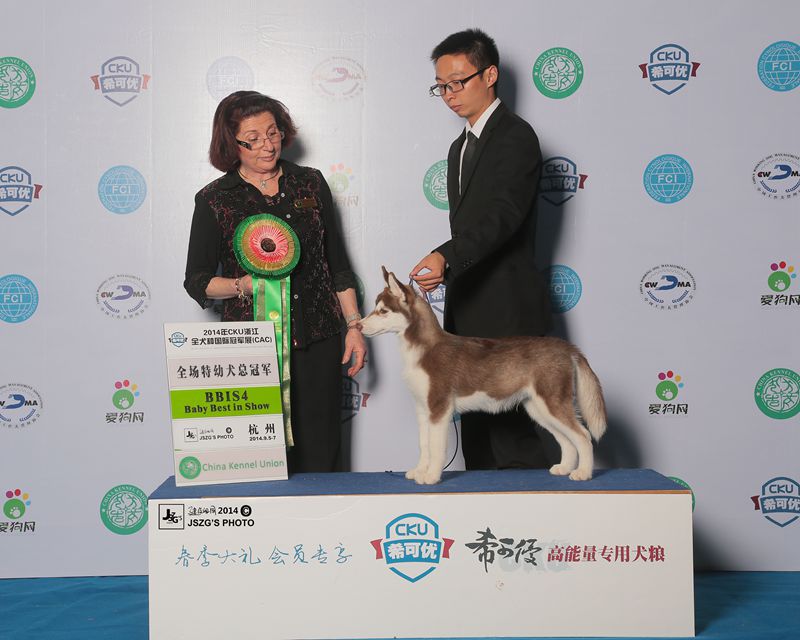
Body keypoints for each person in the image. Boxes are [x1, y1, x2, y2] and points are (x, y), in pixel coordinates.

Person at [184, 90, 366, 473]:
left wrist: (354, 326)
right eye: (252, 140)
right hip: (251, 348)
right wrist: (242, 285)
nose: (267, 145)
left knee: (322, 456)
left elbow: (338, 264)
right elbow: (197, 280)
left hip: (319, 338)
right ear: (231, 144)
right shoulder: (215, 199)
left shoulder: (310, 183)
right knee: (258, 464)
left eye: (273, 133)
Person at [410, 29, 552, 470]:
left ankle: (529, 516)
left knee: (512, 436)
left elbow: (503, 217)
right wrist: (450, 267)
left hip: (508, 312)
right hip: (467, 308)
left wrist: (447, 256)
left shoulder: (516, 136)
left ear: (489, 75)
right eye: (441, 86)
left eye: (458, 82)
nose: (449, 95)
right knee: (476, 440)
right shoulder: (459, 147)